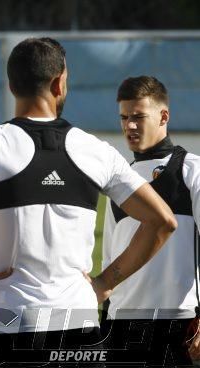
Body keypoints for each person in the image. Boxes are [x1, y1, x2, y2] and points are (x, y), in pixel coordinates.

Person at [0, 37, 177, 367]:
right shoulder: (95, 150)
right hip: (78, 328)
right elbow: (162, 221)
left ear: (11, 85)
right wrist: (105, 282)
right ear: (59, 82)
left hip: (9, 326)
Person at [102, 76, 200, 366]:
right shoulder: (119, 180)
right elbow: (110, 260)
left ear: (163, 116)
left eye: (138, 117)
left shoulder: (191, 170)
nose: (129, 125)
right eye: (124, 117)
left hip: (179, 325)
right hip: (120, 327)